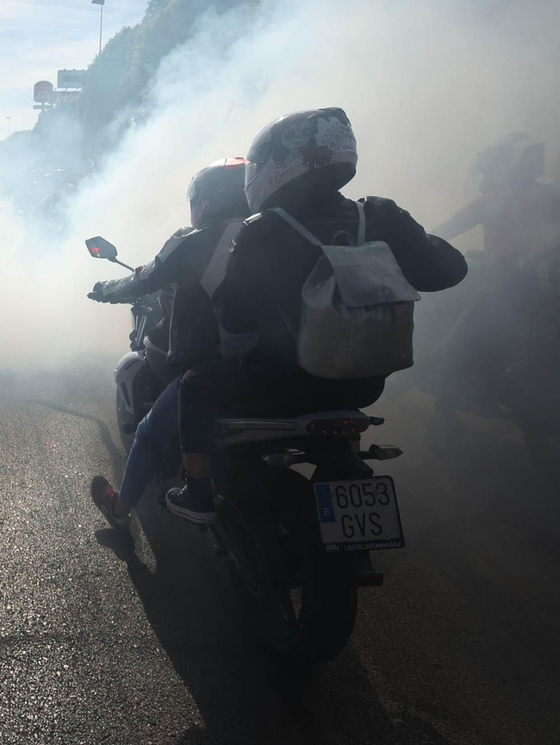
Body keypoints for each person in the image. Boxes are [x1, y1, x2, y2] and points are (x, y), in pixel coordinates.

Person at [171, 108, 467, 523]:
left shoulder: (262, 230)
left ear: (276, 166)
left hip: (281, 386)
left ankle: (198, 492)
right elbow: (450, 270)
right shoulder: (379, 216)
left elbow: (234, 314)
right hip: (364, 386)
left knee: (194, 386)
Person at [86, 158, 252, 529]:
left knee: (147, 431)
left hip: (222, 367)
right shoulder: (272, 232)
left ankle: (120, 512)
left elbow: (146, 277)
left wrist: (104, 290)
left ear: (203, 203)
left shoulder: (198, 241)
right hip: (283, 362)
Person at [431, 133, 560, 441]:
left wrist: (407, 242)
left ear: (506, 166)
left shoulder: (494, 199)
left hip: (510, 291)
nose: (487, 174)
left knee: (452, 348)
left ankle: (441, 425)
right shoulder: (556, 197)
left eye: (493, 166)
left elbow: (444, 231)